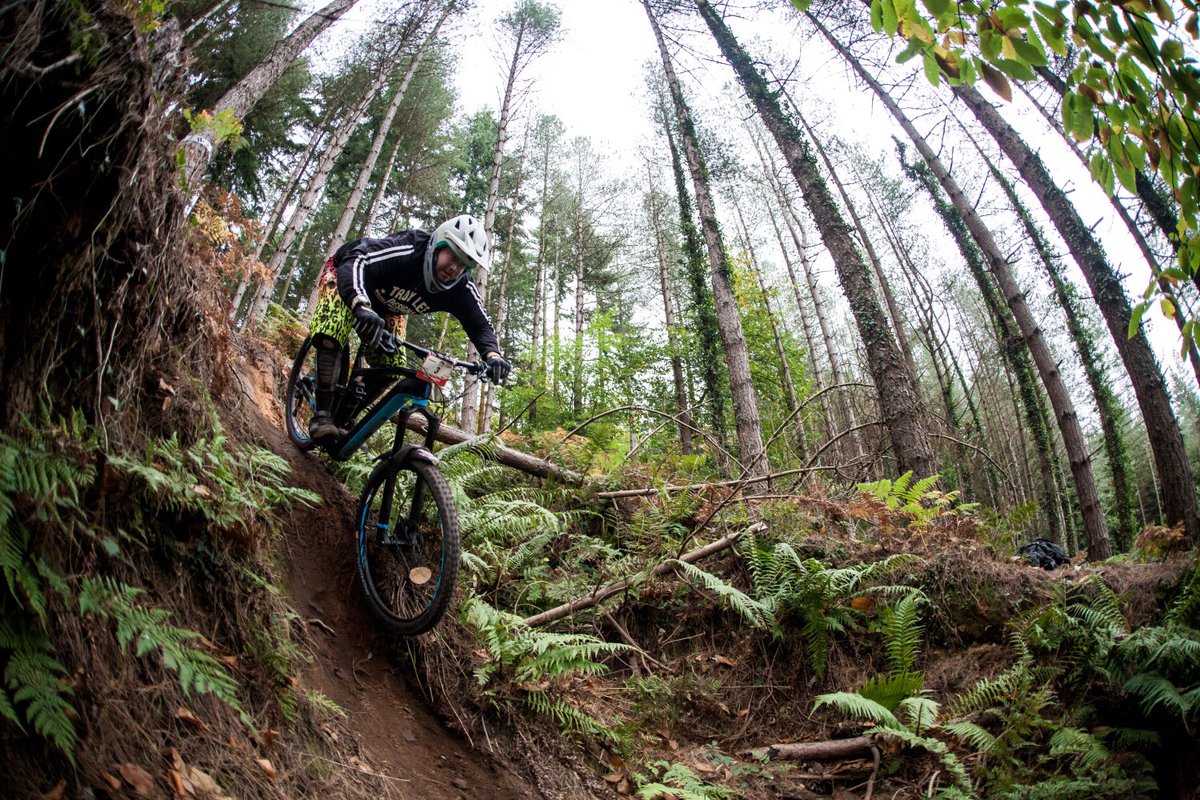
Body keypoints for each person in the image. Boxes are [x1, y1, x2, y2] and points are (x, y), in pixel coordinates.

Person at [305, 214, 512, 443]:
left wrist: (492, 355)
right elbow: (357, 258)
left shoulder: (461, 288)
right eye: (452, 256)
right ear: (439, 244)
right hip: (347, 278)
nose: (454, 268)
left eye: (463, 264)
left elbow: (480, 323)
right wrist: (360, 304)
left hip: (388, 310)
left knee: (392, 368)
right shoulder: (410, 249)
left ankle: (344, 419)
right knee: (332, 329)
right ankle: (322, 417)